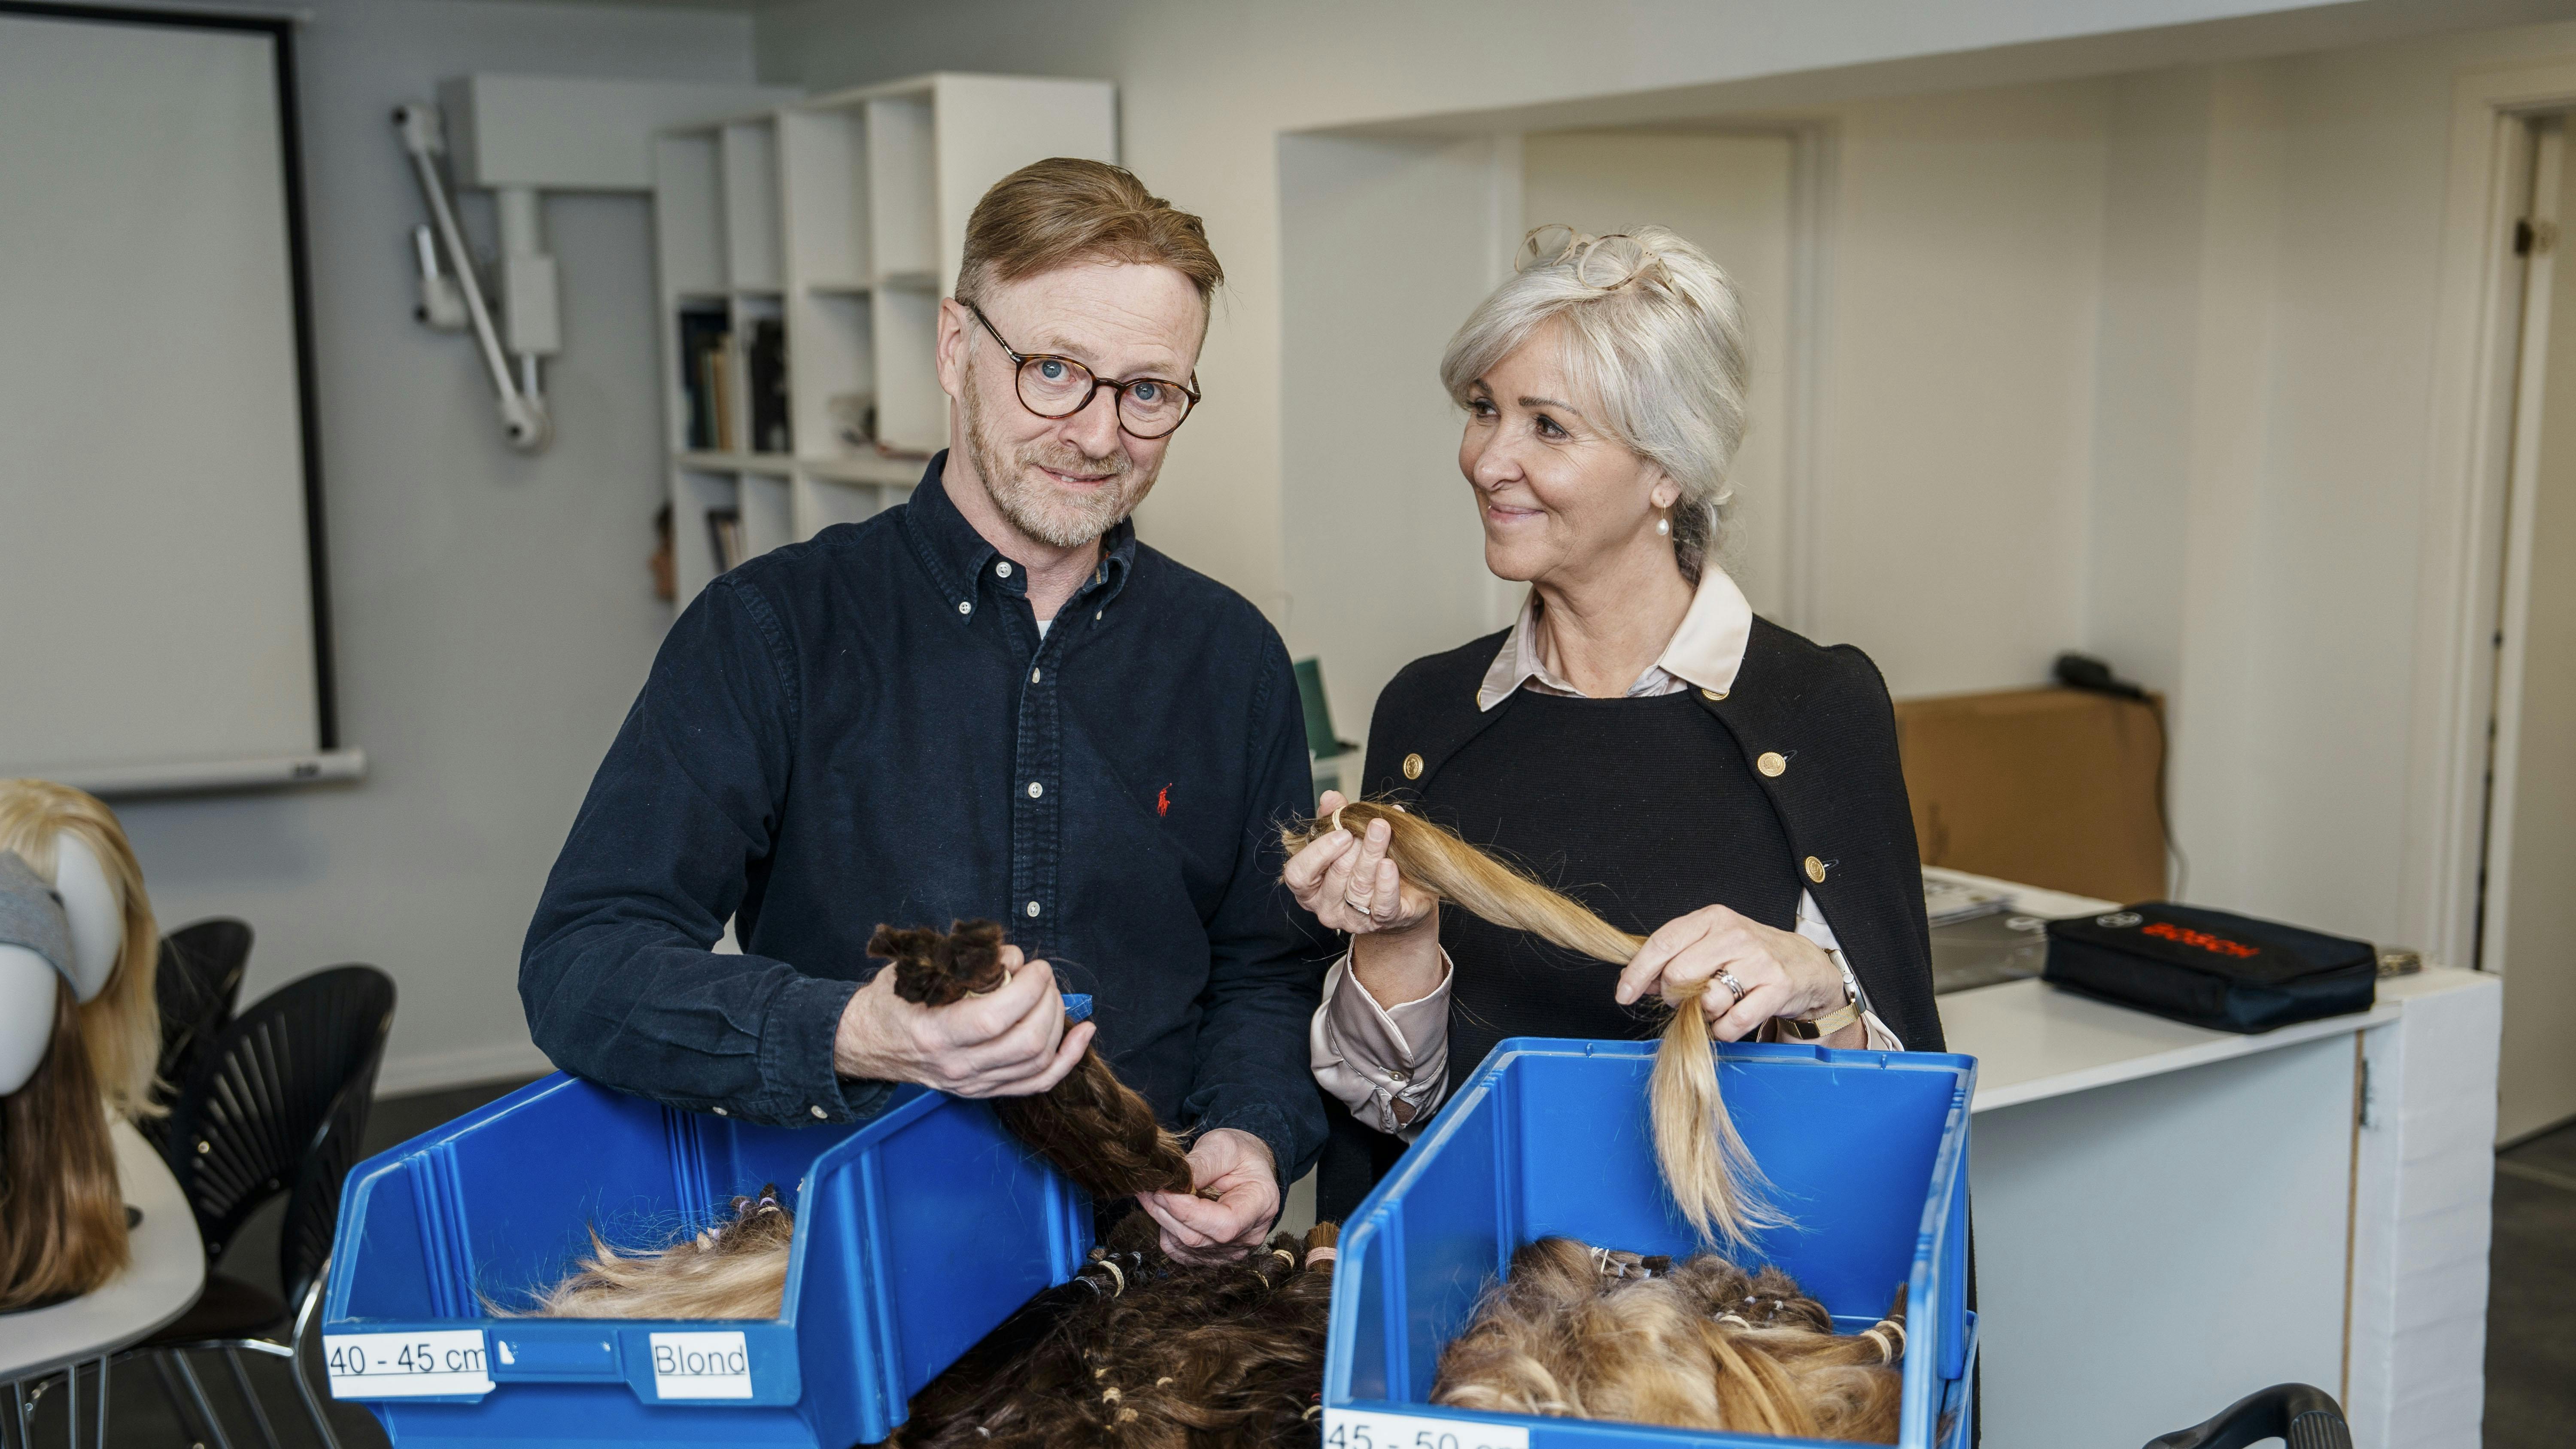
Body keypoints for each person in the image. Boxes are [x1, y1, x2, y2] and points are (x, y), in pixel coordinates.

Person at [522, 159, 1324, 1262]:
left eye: (1148, 391)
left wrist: (1251, 1132)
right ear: (956, 347)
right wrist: (861, 1033)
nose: (1099, 436)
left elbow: (1263, 971)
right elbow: (583, 965)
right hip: (853, 1255)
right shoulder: (771, 628)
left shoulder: (1232, 656)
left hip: (1150, 1280)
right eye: (1055, 371)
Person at [1290, 226, 1944, 1220]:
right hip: (1485, 1324)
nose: (1489, 459)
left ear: (1667, 468)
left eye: (1548, 426)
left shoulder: (1820, 710)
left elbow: (1895, 1134)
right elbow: (1398, 1122)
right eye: (1483, 410)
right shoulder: (1428, 711)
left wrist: (1821, 989)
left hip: (1733, 1336)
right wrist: (1395, 945)